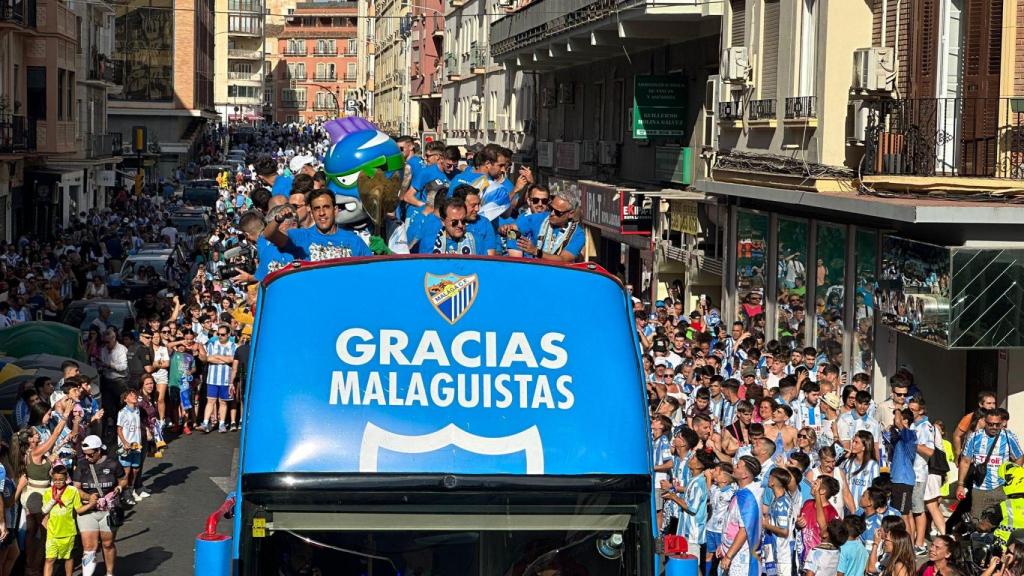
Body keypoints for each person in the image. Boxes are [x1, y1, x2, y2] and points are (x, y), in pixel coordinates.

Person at [262, 187, 372, 260]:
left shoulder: (354, 240)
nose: (321, 213)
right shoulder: (301, 236)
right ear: (311, 212)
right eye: (316, 209)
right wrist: (277, 219)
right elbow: (269, 235)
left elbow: (369, 270)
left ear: (335, 210)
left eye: (326, 207)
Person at [73, 435, 127, 576]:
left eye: (90, 454)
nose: (87, 458)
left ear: (98, 451)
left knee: (107, 544)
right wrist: (88, 497)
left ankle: (109, 573)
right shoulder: (82, 465)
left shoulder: (112, 463)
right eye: (85, 455)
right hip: (88, 510)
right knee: (89, 547)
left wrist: (119, 489)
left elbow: (123, 480)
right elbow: (76, 488)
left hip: (108, 510)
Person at [958, 408, 1024, 519]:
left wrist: (1012, 477)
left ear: (1001, 423)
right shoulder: (974, 437)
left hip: (1001, 488)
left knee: (999, 521)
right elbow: (965, 461)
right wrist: (960, 485)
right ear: (985, 421)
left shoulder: (1008, 437)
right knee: (977, 522)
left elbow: (1019, 456)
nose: (994, 427)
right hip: (979, 488)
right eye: (990, 424)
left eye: (997, 425)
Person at [41, 465, 94, 576]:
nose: (58, 482)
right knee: (49, 559)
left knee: (68, 558)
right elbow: (44, 511)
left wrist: (90, 505)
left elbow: (78, 510)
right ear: (52, 478)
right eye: (55, 479)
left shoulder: (73, 491)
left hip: (68, 532)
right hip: (52, 533)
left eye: (61, 479)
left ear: (66, 478)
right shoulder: (47, 492)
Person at [501, 193, 584, 262]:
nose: (552, 213)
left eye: (557, 212)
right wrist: (506, 230)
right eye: (551, 208)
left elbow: (564, 259)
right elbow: (513, 230)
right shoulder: (539, 218)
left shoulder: (578, 234)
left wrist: (536, 252)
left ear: (571, 214)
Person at [717, 455, 762, 576]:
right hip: (729, 551)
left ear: (744, 475)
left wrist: (729, 556)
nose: (734, 467)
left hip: (740, 557)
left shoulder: (748, 498)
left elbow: (744, 531)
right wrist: (723, 546)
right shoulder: (740, 493)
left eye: (738, 466)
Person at [197, 324, 238, 433]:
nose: (220, 336)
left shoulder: (233, 346)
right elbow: (208, 358)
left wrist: (217, 357)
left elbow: (232, 360)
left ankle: (222, 424)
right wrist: (224, 359)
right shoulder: (212, 344)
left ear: (228, 334)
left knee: (223, 402)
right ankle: (205, 423)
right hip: (212, 379)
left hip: (225, 379)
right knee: (210, 401)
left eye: (223, 334)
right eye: (218, 334)